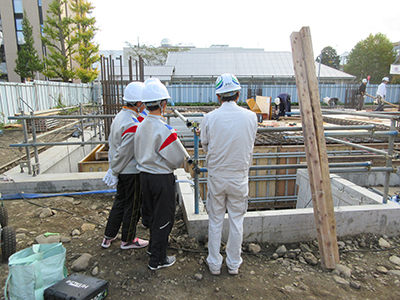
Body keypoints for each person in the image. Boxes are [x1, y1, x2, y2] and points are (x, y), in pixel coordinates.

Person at [200, 73, 258, 276]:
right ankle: (233, 264)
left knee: (215, 220)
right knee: (236, 221)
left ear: (218, 96)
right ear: (238, 94)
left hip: (217, 176)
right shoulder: (251, 117)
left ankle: (214, 264)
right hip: (239, 177)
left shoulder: (209, 118)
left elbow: (205, 145)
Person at [134, 78, 186, 270]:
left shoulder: (140, 125)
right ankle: (157, 260)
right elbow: (176, 159)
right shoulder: (164, 129)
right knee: (164, 218)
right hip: (161, 178)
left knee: (153, 216)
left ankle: (152, 250)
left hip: (144, 176)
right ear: (163, 104)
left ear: (146, 104)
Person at [101, 82, 149, 250]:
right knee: (133, 205)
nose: (145, 105)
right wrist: (114, 170)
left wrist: (113, 168)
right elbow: (125, 152)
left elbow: (113, 145)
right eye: (144, 102)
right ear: (137, 103)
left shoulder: (121, 116)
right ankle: (128, 239)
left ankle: (109, 236)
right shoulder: (132, 124)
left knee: (120, 202)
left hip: (121, 169)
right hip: (130, 171)